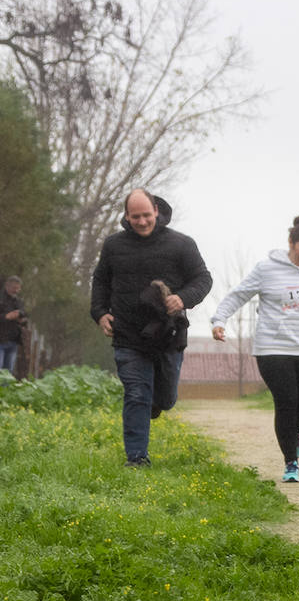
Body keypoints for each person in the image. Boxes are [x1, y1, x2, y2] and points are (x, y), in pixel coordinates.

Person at [210, 215, 299, 482]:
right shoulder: (267, 268)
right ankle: (290, 462)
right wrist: (219, 320)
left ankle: (292, 433)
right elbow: (240, 294)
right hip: (273, 347)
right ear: (291, 244)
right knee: (286, 403)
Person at [90, 190, 213, 467]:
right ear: (126, 216)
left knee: (166, 399)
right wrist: (99, 313)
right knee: (136, 393)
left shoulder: (181, 244)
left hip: (168, 334)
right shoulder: (113, 245)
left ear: (156, 210)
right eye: (136, 217)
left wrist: (182, 298)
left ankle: (157, 402)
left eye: (146, 215)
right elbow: (100, 281)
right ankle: (137, 458)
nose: (142, 221)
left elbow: (203, 279)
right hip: (128, 334)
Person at [0, 276, 27, 374]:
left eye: (18, 288)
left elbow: (24, 315)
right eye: (14, 288)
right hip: (1, 340)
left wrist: (22, 320)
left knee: (8, 372)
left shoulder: (19, 301)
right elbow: (6, 316)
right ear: (7, 286)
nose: (16, 291)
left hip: (13, 340)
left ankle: (5, 389)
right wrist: (6, 317)